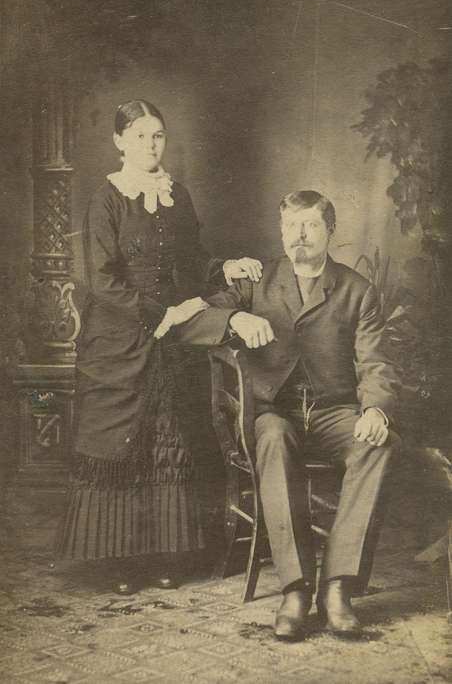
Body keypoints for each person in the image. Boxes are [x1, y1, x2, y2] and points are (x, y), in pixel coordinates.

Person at [165, 189, 401, 640]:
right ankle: (296, 589)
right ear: (281, 231)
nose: (300, 235)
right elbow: (188, 325)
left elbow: (376, 363)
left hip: (334, 412)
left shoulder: (357, 290)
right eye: (291, 225)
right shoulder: (256, 280)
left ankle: (338, 588)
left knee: (380, 443)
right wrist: (234, 319)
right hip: (275, 411)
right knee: (272, 436)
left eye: (311, 225)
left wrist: (374, 409)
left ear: (331, 231)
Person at [56, 99, 262, 594]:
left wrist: (225, 268)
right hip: (120, 338)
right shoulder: (106, 199)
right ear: (120, 141)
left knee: (168, 444)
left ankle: (168, 555)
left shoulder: (177, 195)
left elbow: (193, 260)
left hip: (172, 341)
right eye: (142, 135)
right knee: (126, 445)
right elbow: (101, 281)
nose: (151, 145)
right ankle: (123, 562)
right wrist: (159, 315)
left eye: (159, 136)